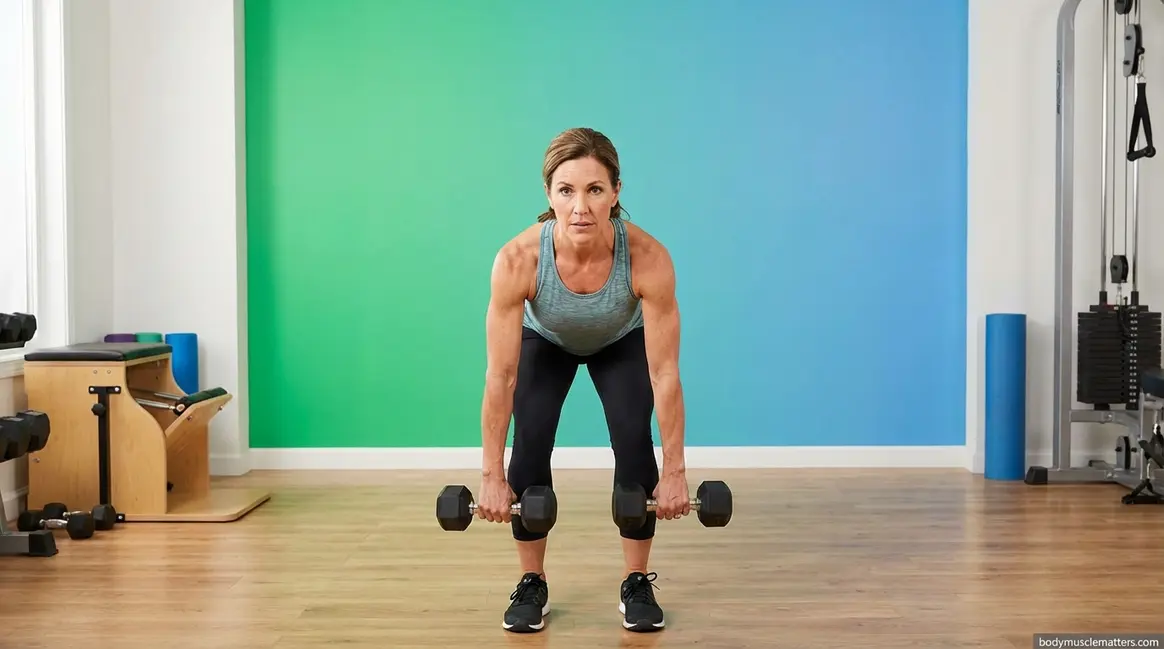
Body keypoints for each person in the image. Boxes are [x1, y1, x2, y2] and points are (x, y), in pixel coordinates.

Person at [477, 127, 690, 634]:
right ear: (548, 194)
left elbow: (664, 372)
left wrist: (676, 469)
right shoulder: (517, 261)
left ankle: (636, 581)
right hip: (544, 341)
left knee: (635, 447)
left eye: (595, 189)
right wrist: (490, 476)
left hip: (620, 340)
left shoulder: (647, 258)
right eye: (566, 190)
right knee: (528, 445)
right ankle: (532, 582)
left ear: (616, 192)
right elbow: (502, 375)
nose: (580, 207)